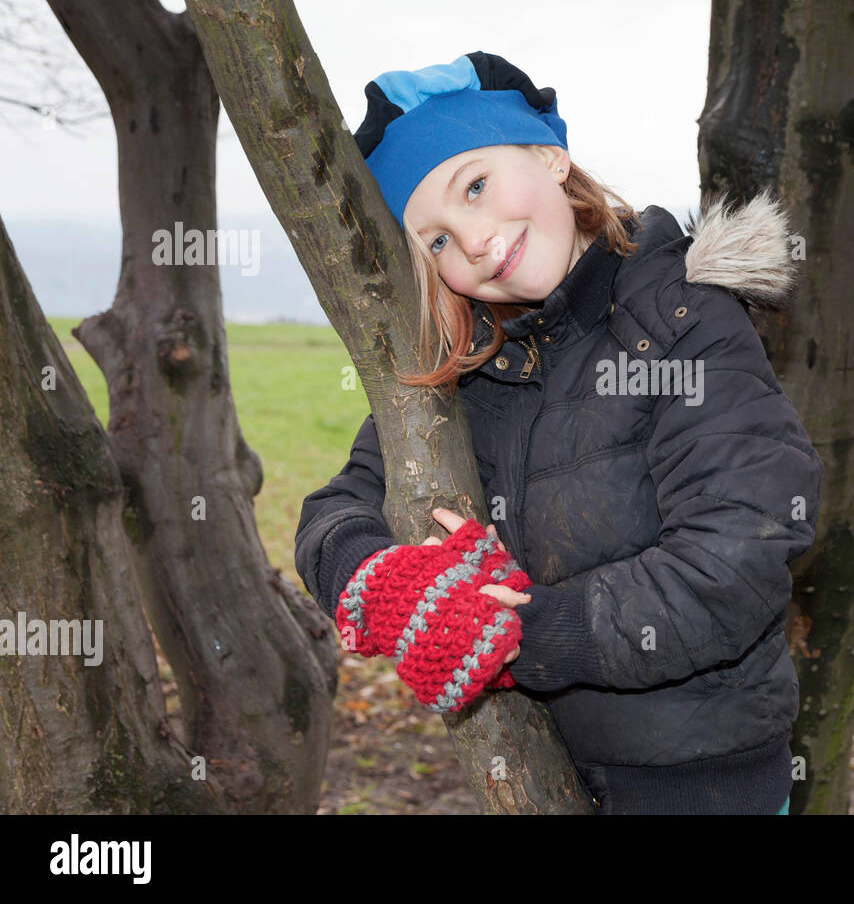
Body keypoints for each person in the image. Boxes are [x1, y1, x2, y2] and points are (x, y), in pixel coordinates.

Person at [294, 51, 823, 815]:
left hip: (699, 788)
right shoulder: (471, 367)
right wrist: (388, 585)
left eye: (475, 187)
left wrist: (515, 633)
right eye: (435, 240)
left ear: (550, 155)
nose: (473, 241)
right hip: (540, 774)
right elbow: (336, 509)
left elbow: (736, 557)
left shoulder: (682, 321)